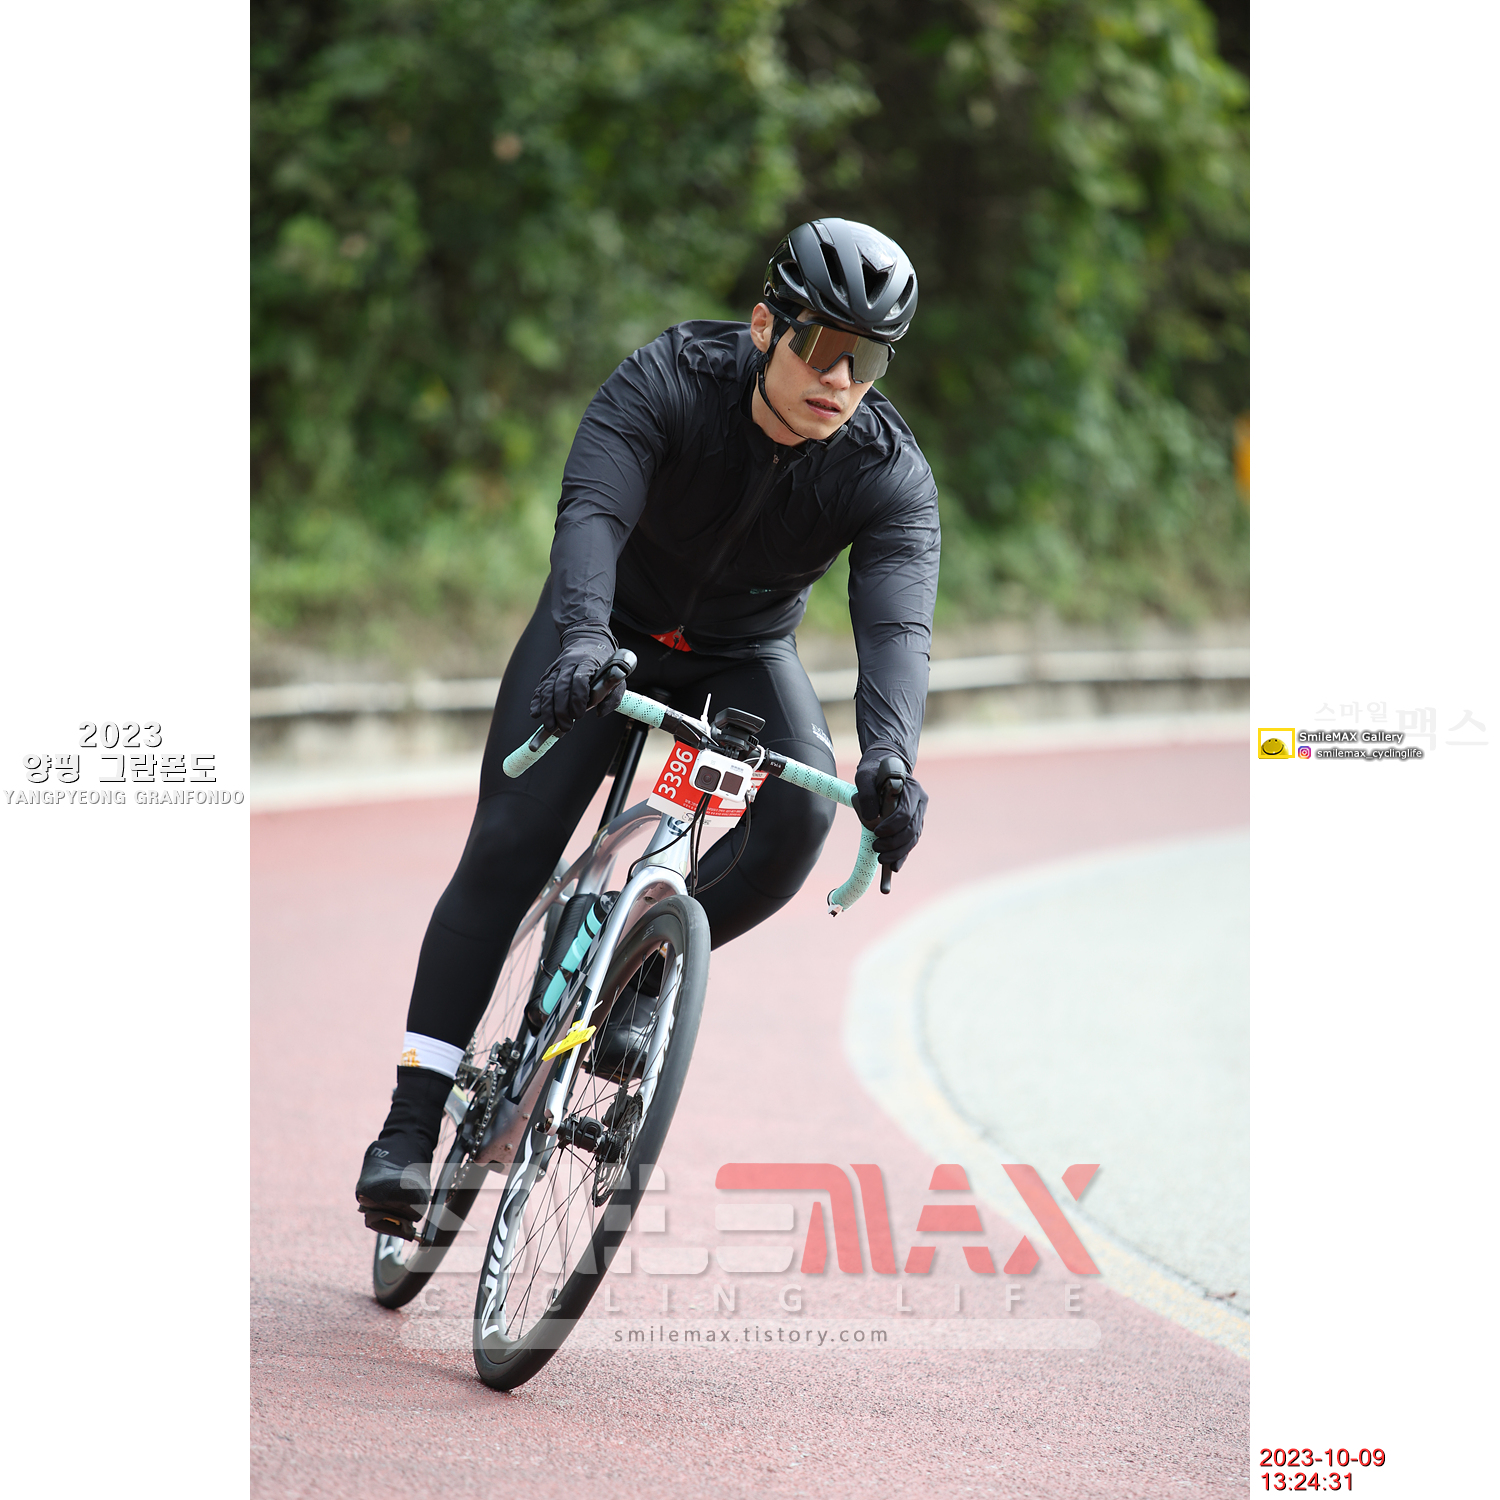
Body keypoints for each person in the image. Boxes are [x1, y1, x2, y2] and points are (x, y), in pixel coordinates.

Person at [355, 217, 940, 1227]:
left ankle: (633, 970)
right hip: (603, 629)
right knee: (511, 844)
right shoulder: (670, 378)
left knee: (801, 818)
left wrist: (891, 758)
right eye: (822, 345)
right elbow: (591, 514)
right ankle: (408, 1129)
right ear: (765, 326)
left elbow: (896, 627)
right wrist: (583, 639)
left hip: (741, 652)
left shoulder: (886, 472)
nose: (842, 378)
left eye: (870, 358)